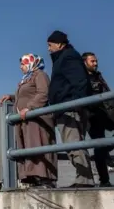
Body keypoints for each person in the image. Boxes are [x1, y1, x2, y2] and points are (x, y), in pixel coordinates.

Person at [0, 54, 57, 188]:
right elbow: (25, 95)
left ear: (32, 63)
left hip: (37, 119)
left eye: (23, 64)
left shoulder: (40, 75)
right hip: (25, 120)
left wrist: (30, 107)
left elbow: (43, 93)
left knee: (38, 144)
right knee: (28, 147)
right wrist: (12, 97)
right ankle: (32, 177)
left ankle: (45, 178)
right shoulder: (26, 79)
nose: (21, 67)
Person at [47, 30, 95, 187]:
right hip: (64, 108)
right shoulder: (62, 58)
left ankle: (85, 180)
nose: (48, 48)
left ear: (59, 44)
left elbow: (80, 82)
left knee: (73, 144)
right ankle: (84, 178)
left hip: (69, 109)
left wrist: (73, 104)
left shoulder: (68, 57)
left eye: (50, 45)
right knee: (72, 145)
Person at [82, 52, 114, 187]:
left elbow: (107, 95)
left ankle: (104, 152)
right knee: (99, 144)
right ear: (84, 62)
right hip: (91, 115)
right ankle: (105, 181)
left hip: (105, 113)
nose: (95, 63)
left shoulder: (98, 76)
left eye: (96, 61)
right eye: (92, 61)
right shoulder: (81, 77)